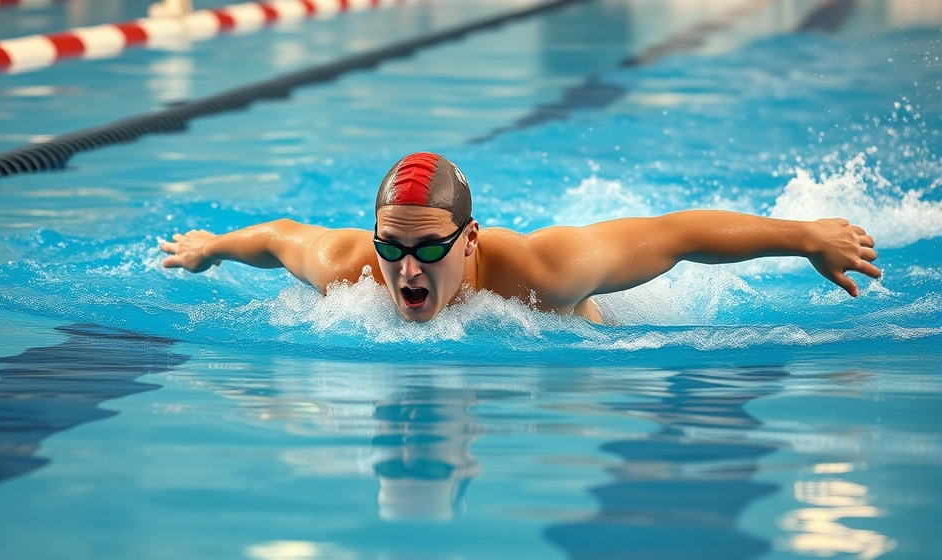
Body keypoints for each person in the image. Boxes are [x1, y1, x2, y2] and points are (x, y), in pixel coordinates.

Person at [160, 151, 881, 323]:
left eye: (429, 248)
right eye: (392, 247)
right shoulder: (352, 267)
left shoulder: (541, 271)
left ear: (469, 239)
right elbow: (279, 236)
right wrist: (208, 248)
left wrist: (804, 235)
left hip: (592, 325)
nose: (405, 269)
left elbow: (678, 233)